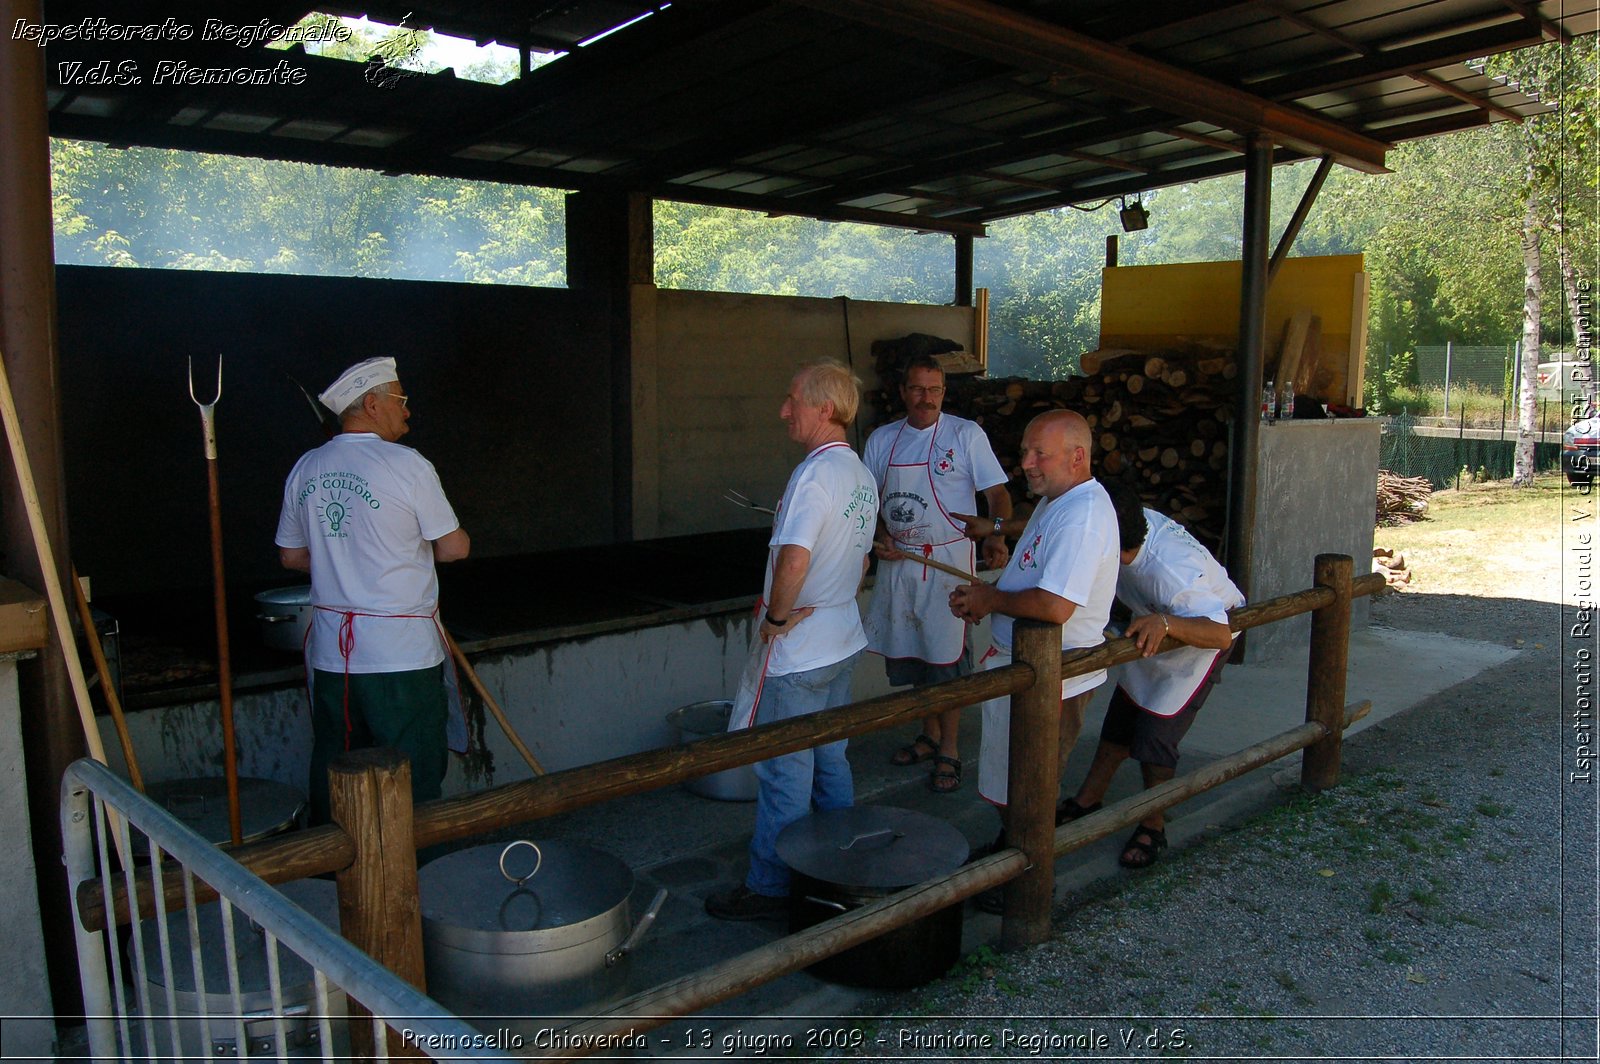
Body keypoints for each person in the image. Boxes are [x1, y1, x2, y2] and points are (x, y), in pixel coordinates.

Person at [706, 359, 878, 921]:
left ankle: (769, 886)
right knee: (830, 758)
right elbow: (860, 561)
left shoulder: (813, 474)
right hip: (843, 636)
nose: (784, 411)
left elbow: (794, 557)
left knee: (784, 774)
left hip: (802, 651)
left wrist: (776, 620)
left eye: (792, 400)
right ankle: (841, 868)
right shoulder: (859, 473)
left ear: (823, 409)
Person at [275, 357, 470, 823]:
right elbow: (455, 548)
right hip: (400, 656)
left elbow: (291, 557)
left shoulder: (307, 467)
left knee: (337, 767)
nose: (408, 411)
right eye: (400, 400)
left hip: (332, 655)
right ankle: (415, 878)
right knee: (412, 773)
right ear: (371, 403)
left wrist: (345, 563)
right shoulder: (408, 465)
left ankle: (336, 879)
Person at [948, 409, 1119, 840]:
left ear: (1077, 456)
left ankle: (1029, 875)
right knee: (1012, 782)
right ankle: (1015, 853)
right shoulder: (1059, 500)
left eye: (1039, 454)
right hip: (1026, 669)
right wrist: (997, 532)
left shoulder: (1084, 516)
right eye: (1025, 451)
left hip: (1052, 678)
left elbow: (1056, 605)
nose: (1025, 463)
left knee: (1028, 786)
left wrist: (991, 598)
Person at [1056, 480, 1244, 869]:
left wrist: (1165, 622)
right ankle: (1089, 798)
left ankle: (1153, 823)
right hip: (1153, 621)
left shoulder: (1171, 571)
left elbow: (1220, 634)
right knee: (1124, 716)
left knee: (1157, 736)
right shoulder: (1125, 527)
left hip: (1198, 633)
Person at [863, 354, 1012, 793]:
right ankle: (928, 733)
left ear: (944, 392)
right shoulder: (882, 440)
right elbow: (869, 500)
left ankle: (950, 746)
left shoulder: (965, 435)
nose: (925, 398)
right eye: (916, 389)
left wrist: (997, 536)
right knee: (912, 654)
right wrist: (882, 534)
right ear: (903, 391)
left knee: (948, 661)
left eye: (934, 390)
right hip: (901, 564)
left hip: (948, 563)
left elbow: (998, 494)